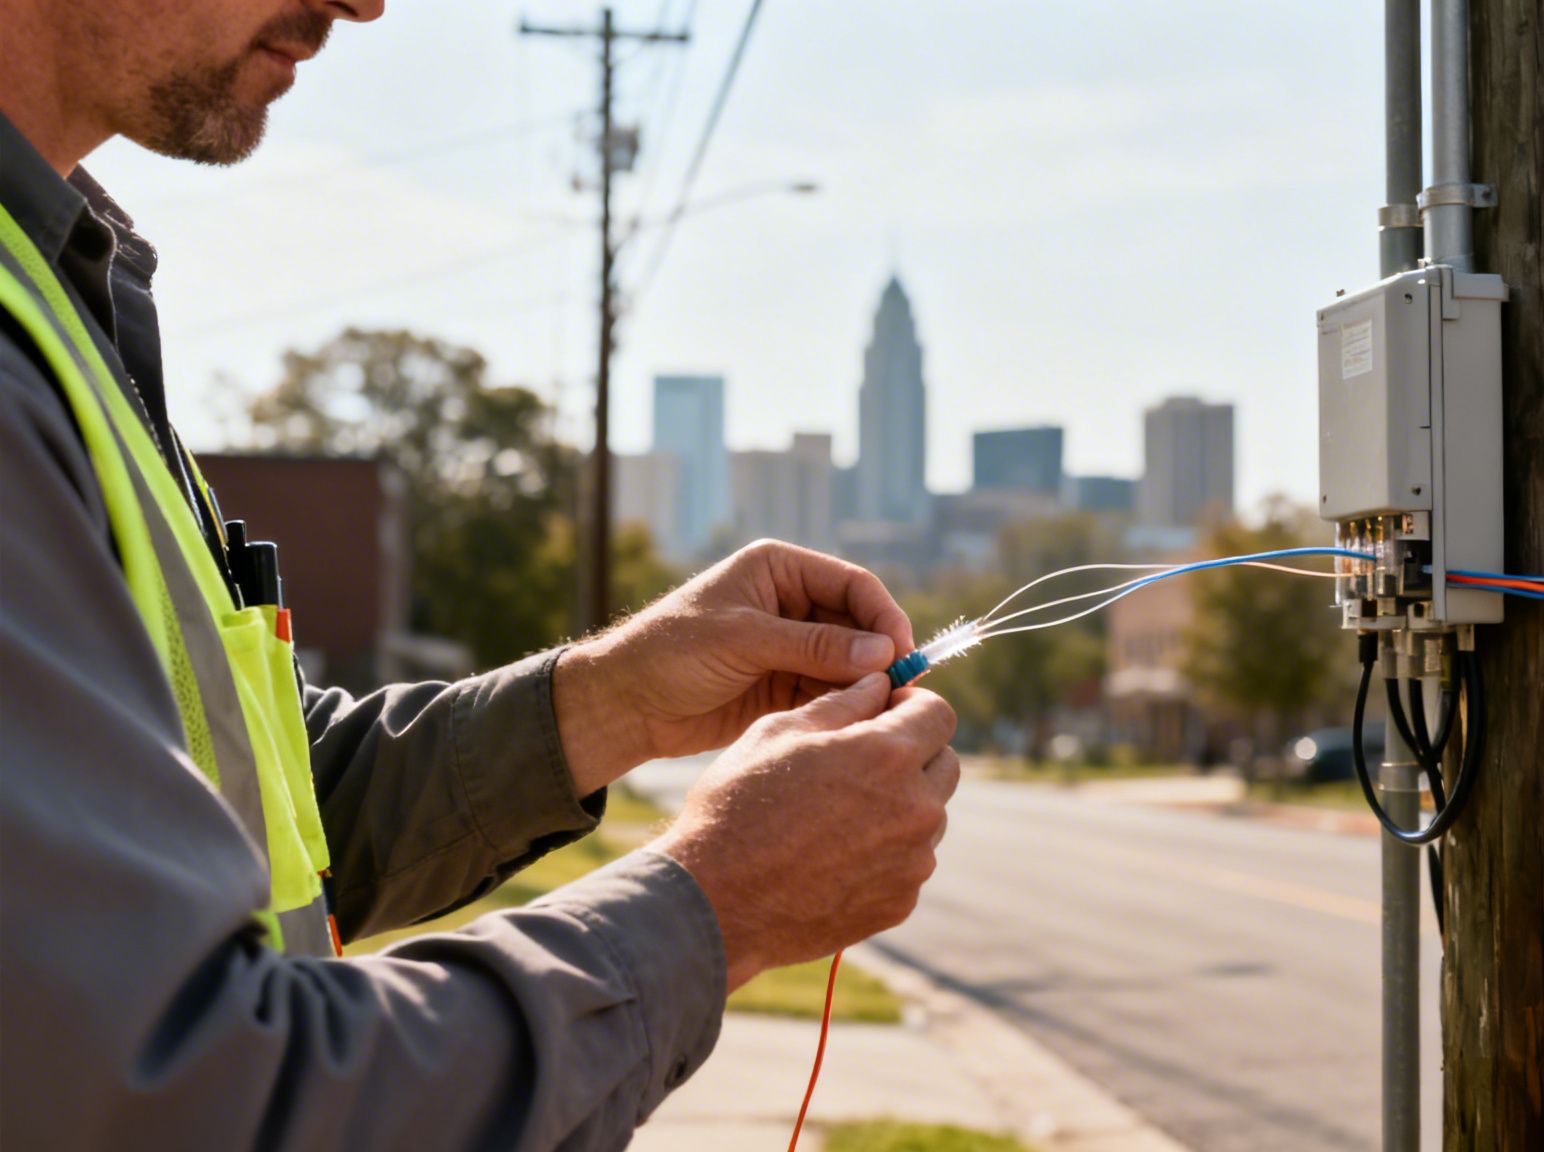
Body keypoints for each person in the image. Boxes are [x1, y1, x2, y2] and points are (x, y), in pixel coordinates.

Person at [0, 1, 961, 1147]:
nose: (364, 1)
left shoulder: (58, 292)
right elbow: (199, 1098)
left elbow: (256, 806)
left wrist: (608, 701)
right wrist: (720, 902)